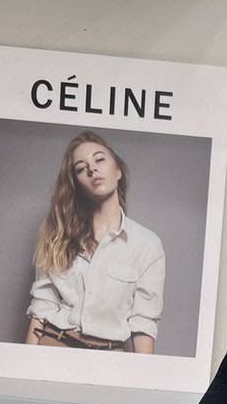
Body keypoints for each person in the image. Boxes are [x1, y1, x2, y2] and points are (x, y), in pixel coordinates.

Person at [24, 131, 164, 354]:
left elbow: (143, 323)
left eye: (99, 159)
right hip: (54, 346)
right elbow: (42, 308)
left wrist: (143, 373)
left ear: (118, 171)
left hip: (109, 358)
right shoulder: (57, 234)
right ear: (77, 184)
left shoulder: (147, 244)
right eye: (81, 168)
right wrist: (26, 366)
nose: (92, 169)